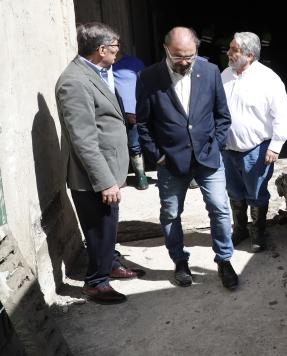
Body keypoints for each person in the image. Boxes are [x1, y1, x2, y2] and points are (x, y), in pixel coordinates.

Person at [136, 27, 238, 289]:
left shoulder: (211, 72)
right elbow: (144, 123)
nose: (185, 62)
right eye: (179, 57)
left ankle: (224, 260)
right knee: (171, 213)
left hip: (207, 157)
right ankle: (180, 261)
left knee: (219, 208)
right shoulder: (149, 78)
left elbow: (222, 116)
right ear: (166, 50)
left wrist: (215, 144)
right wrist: (157, 157)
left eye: (190, 56)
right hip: (170, 161)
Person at [55, 22, 142, 305]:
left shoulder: (96, 72)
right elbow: (83, 139)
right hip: (93, 175)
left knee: (108, 225)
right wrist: (105, 180)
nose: (118, 53)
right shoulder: (74, 82)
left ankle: (109, 264)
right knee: (100, 227)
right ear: (101, 49)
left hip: (108, 167)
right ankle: (96, 283)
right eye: (115, 48)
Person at [221, 32, 287, 252]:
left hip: (257, 149)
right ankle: (240, 229)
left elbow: (283, 116)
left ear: (249, 55)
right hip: (228, 148)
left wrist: (275, 146)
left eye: (234, 49)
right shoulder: (225, 74)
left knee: (256, 193)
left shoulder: (268, 79)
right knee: (234, 192)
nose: (229, 52)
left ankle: (258, 233)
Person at [112, 52, 148, 190]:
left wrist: (136, 109)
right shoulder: (102, 66)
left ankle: (140, 175)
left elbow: (144, 84)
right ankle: (120, 177)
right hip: (114, 113)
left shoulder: (134, 63)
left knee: (134, 144)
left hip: (133, 111)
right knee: (117, 145)